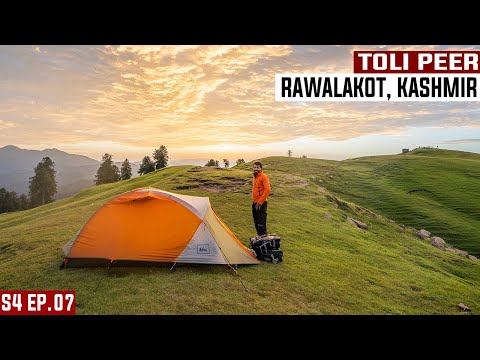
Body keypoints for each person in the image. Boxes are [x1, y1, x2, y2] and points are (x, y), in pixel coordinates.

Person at [252, 161, 271, 236]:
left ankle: (264, 240)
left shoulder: (264, 177)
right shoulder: (254, 177)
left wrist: (260, 202)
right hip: (254, 203)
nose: (256, 169)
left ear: (261, 168)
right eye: (255, 167)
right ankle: (259, 238)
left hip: (261, 204)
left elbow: (268, 190)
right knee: (256, 222)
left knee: (261, 223)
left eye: (257, 167)